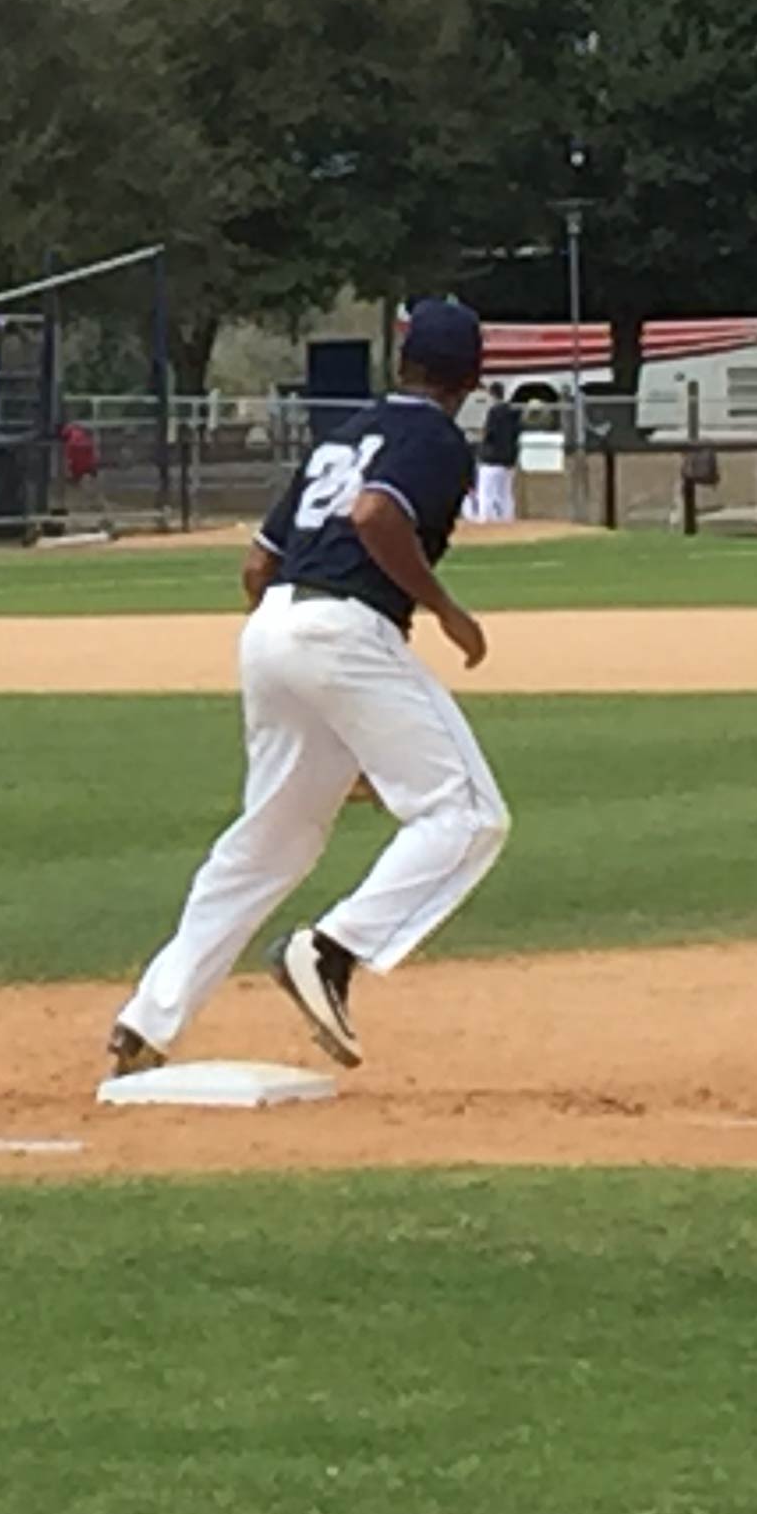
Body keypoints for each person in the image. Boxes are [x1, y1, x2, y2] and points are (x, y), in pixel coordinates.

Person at [106, 298, 512, 1078]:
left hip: (273, 627)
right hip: (344, 630)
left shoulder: (346, 432)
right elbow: (373, 515)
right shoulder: (433, 437)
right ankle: (330, 951)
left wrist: (321, 702)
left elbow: (258, 566)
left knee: (270, 841)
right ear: (473, 377)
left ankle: (145, 1022)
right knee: (466, 816)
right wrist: (445, 609)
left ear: (401, 365)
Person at [472, 386, 525, 526]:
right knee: (506, 493)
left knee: (485, 491)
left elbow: (489, 434)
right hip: (509, 459)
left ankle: (485, 519)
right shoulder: (514, 412)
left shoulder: (493, 412)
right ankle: (508, 519)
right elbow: (517, 434)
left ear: (493, 395)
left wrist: (482, 438)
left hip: (492, 459)